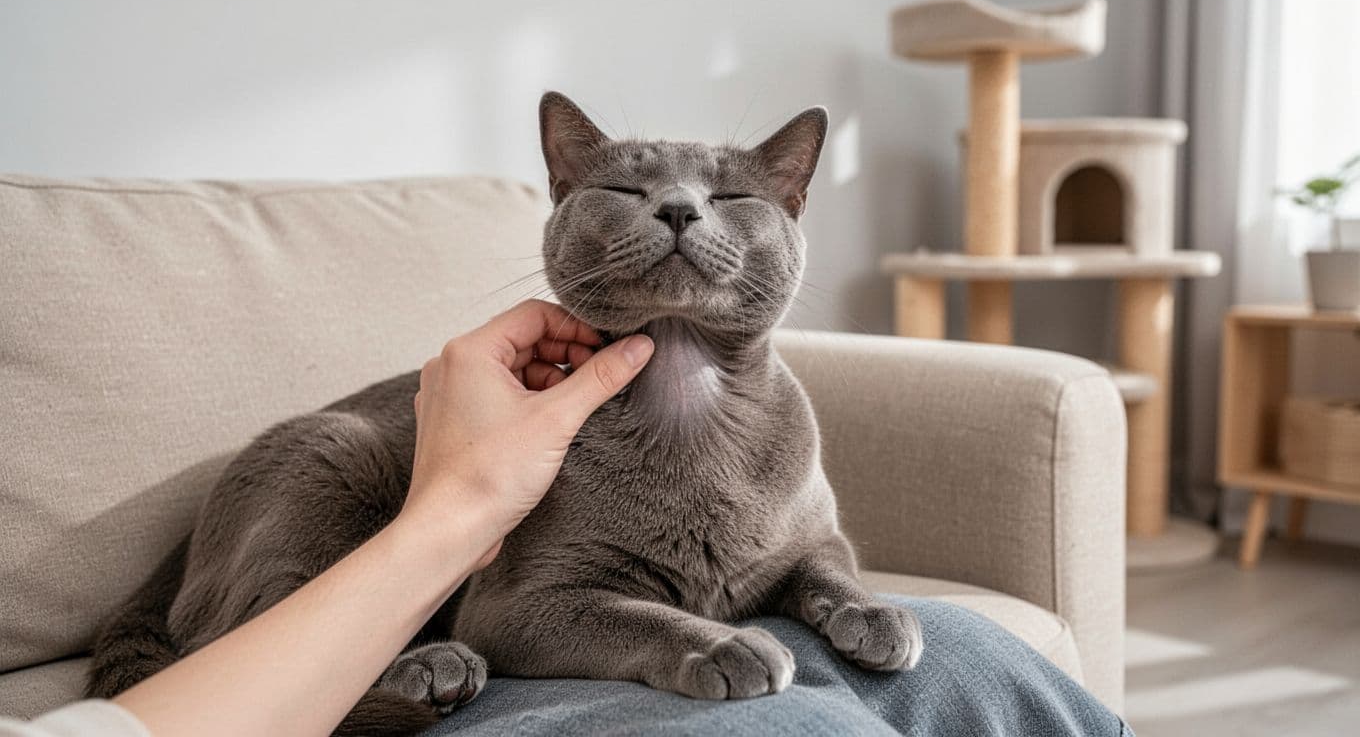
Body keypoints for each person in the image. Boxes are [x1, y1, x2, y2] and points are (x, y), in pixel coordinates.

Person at [1, 301, 1131, 737]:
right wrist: (459, 512)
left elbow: (802, 543)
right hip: (361, 610)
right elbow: (520, 608)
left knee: (980, 662)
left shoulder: (780, 417)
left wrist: (827, 588)